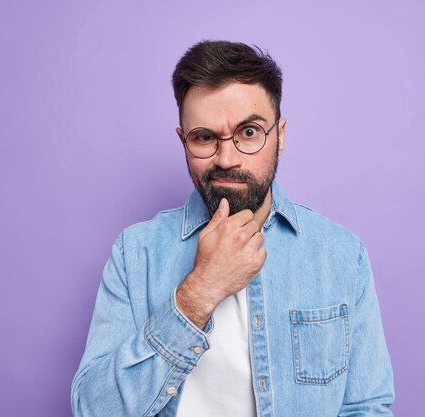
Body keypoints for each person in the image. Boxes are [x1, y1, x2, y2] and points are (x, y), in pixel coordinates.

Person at [71, 40, 394, 417]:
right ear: (184, 141)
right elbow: (92, 410)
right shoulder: (136, 252)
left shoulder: (340, 254)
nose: (227, 158)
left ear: (281, 135)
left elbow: (365, 408)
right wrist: (200, 291)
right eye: (205, 137)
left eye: (250, 132)